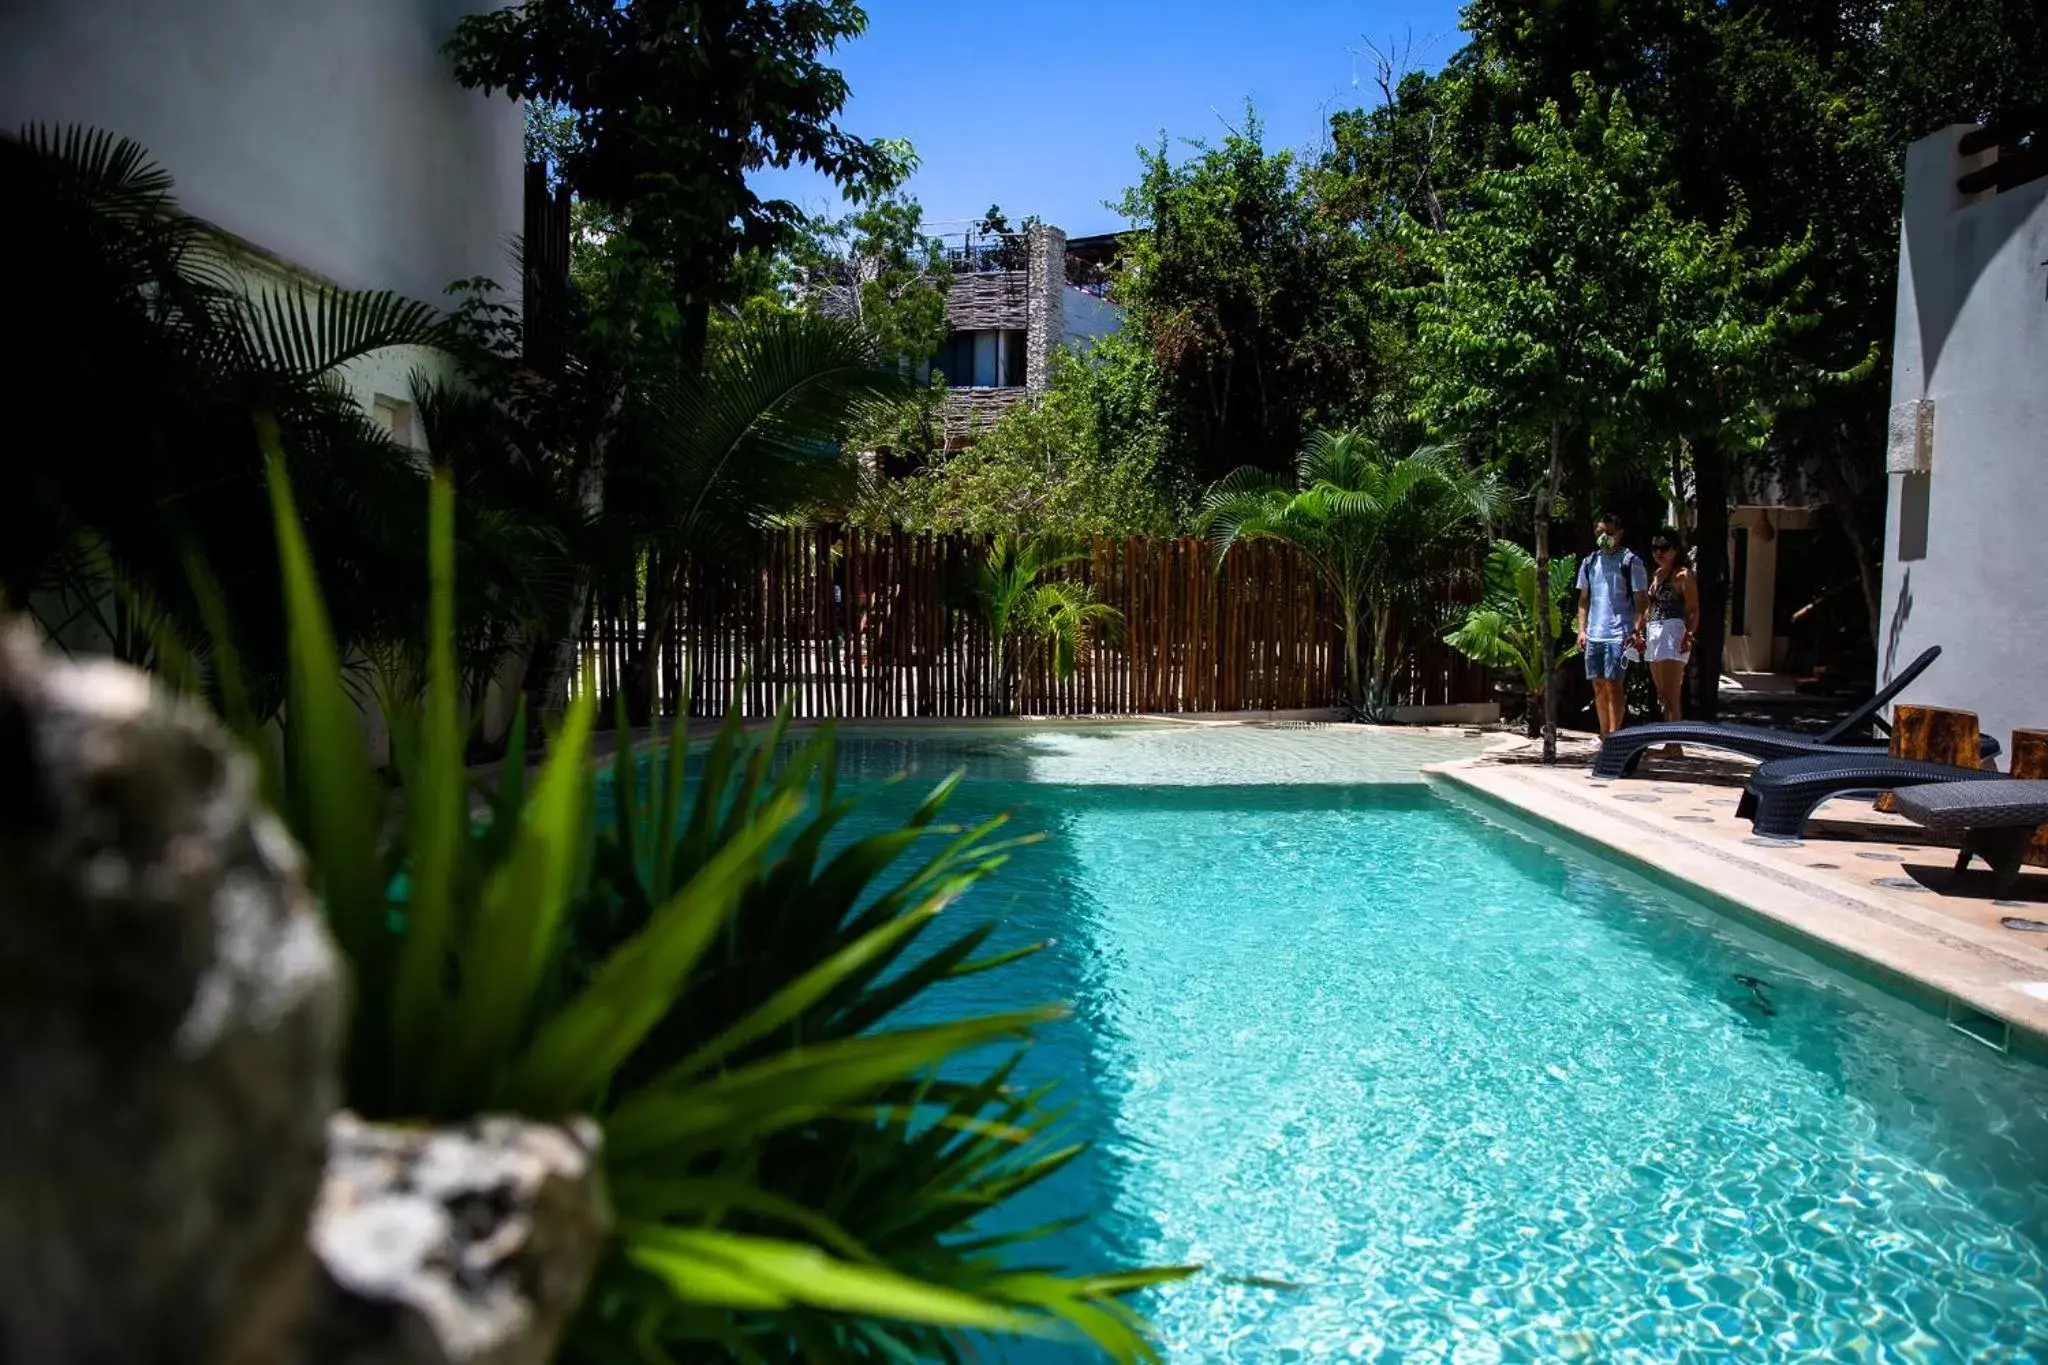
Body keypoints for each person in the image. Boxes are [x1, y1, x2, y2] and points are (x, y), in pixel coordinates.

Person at [1575, 511, 1648, 738]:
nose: (1604, 537)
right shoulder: (1590, 562)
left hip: (1620, 633)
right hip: (1595, 633)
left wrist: (1637, 630)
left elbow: (1641, 600)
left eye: (1609, 532)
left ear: (1620, 533)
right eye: (1600, 532)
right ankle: (1604, 734)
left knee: (1615, 684)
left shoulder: (1630, 562)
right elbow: (1584, 599)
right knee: (1598, 684)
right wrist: (1582, 630)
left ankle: (1615, 736)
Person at [1634, 526, 1699, 732]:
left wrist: (1689, 634)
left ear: (1676, 549)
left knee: (1672, 695)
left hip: (1672, 632)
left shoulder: (1682, 575)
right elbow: (1647, 609)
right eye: (1655, 548)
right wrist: (1637, 632)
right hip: (1653, 633)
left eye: (1665, 547)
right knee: (1662, 695)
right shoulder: (1656, 575)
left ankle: (1674, 745)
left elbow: (1693, 608)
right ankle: (1670, 742)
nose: (1659, 552)